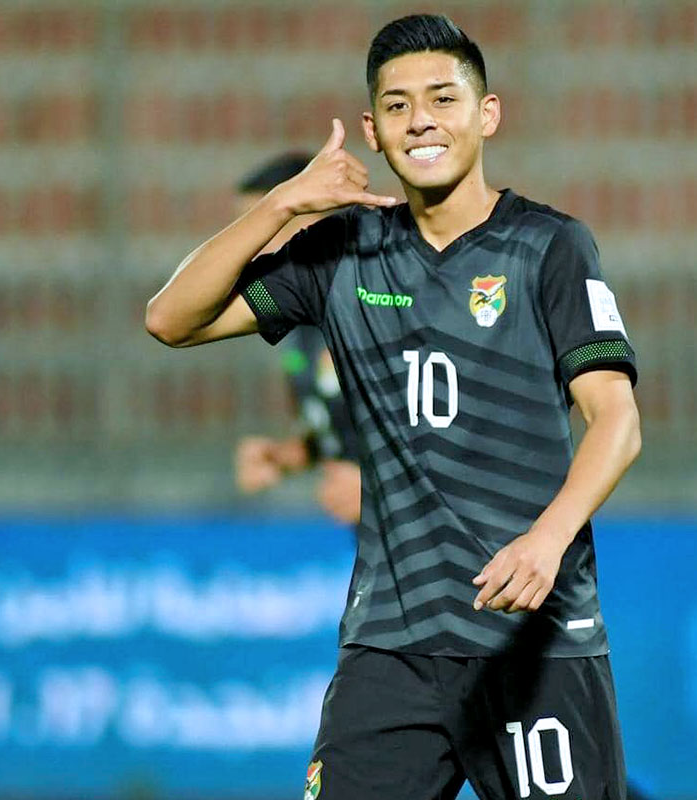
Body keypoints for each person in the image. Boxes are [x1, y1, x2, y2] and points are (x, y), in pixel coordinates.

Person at [146, 14, 640, 799]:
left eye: (443, 99)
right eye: (399, 105)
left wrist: (548, 540)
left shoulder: (549, 247)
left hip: (533, 636)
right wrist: (283, 204)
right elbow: (170, 318)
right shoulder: (344, 250)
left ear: (487, 114)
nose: (422, 122)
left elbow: (617, 420)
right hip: (391, 646)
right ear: (373, 131)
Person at [231, 155, 361, 525]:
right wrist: (288, 456)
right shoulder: (300, 320)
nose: (253, 248)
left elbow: (458, 432)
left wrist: (379, 488)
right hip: (378, 546)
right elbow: (348, 429)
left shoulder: (380, 304)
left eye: (269, 225)